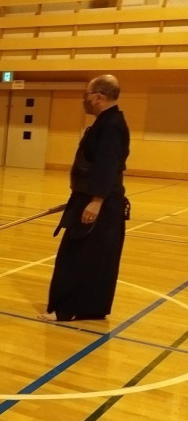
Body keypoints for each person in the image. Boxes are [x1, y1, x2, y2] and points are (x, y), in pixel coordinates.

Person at [39, 74, 131, 322]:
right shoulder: (106, 122)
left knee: (81, 257)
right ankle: (88, 307)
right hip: (91, 199)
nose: (85, 100)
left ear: (99, 97)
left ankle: (70, 309)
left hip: (100, 204)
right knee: (90, 256)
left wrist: (96, 201)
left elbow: (107, 165)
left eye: (87, 95)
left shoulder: (111, 125)